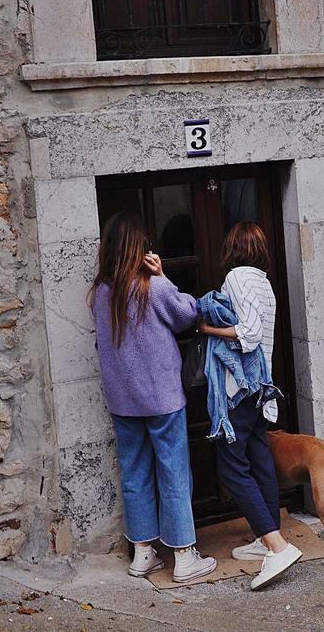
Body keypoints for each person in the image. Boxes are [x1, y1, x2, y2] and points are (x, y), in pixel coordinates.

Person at [89, 212, 217, 583]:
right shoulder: (152, 287)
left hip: (123, 401)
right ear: (138, 249)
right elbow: (188, 315)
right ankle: (183, 556)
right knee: (174, 472)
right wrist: (163, 275)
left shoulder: (102, 292)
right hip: (161, 398)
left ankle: (143, 553)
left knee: (134, 472)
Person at [198, 222, 302, 591]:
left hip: (240, 389)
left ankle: (276, 546)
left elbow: (250, 334)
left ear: (232, 248)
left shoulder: (237, 277)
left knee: (231, 467)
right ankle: (265, 535)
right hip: (260, 388)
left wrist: (207, 330)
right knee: (259, 461)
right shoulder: (263, 281)